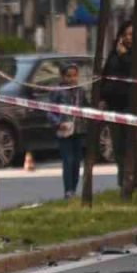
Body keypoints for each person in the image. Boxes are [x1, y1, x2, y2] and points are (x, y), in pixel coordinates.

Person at [100, 20, 133, 186]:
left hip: (129, 105)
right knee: (117, 145)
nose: (128, 38)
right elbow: (105, 75)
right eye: (126, 34)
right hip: (113, 105)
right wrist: (102, 98)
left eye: (131, 35)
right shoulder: (113, 54)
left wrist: (124, 55)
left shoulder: (135, 54)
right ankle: (122, 180)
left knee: (129, 146)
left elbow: (134, 72)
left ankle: (129, 180)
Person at [48, 63, 87, 199]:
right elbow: (50, 112)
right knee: (68, 160)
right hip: (64, 131)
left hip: (78, 130)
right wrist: (59, 123)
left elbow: (86, 107)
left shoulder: (80, 91)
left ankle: (74, 189)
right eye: (68, 76)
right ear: (63, 76)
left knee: (76, 161)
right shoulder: (57, 91)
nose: (72, 79)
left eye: (75, 76)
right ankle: (68, 191)